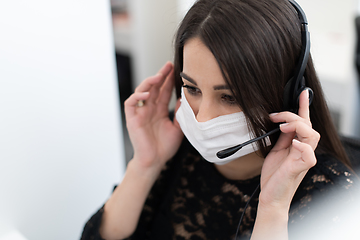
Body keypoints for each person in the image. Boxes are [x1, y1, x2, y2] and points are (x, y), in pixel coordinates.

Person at [81, 0, 358, 239]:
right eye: (192, 88)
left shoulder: (333, 196)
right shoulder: (173, 144)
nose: (202, 118)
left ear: (289, 95)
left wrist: (272, 207)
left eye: (229, 97)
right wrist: (145, 164)